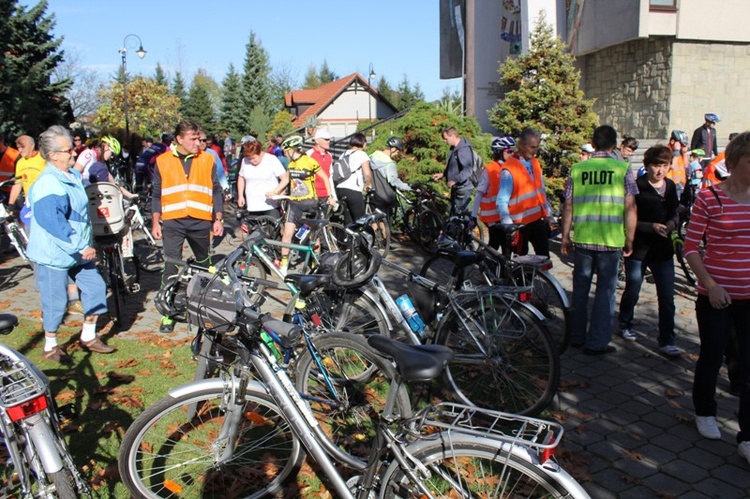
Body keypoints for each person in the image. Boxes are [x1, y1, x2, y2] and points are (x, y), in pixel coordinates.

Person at [684, 131, 750, 455]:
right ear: (736, 161)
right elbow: (690, 247)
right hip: (715, 296)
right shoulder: (710, 198)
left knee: (748, 364)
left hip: (749, 297)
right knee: (712, 355)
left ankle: (747, 436)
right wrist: (710, 285)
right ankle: (705, 411)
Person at [26, 125, 114, 363]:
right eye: (68, 151)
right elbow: (53, 223)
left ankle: (88, 336)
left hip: (77, 251)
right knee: (56, 301)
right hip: (54, 253)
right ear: (53, 155)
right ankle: (50, 345)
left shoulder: (71, 175)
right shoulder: (47, 183)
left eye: (72, 149)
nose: (73, 154)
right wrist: (80, 245)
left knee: (95, 288)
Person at [561, 125, 638, 355]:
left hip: (583, 239)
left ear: (592, 144)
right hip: (611, 241)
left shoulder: (577, 169)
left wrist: (565, 236)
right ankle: (597, 343)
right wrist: (630, 239)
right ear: (615, 146)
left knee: (580, 290)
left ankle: (576, 337)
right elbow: (631, 207)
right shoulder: (622, 169)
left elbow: (568, 205)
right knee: (605, 292)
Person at [151, 120, 224, 333]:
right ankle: (168, 313)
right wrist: (156, 221)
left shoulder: (208, 159)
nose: (197, 143)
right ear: (179, 139)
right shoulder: (162, 161)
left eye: (198, 138)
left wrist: (217, 218)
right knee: (171, 267)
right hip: (173, 221)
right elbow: (157, 193)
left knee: (204, 265)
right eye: (192, 139)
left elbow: (216, 190)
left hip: (200, 220)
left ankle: (204, 308)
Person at [618, 145, 681, 357]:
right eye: (656, 165)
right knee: (633, 287)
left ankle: (667, 340)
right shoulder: (637, 186)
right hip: (639, 247)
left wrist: (672, 224)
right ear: (647, 166)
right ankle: (625, 322)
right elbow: (628, 217)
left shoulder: (671, 186)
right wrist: (650, 226)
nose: (660, 170)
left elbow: (674, 212)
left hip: (663, 250)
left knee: (667, 296)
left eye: (664, 165)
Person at [275, 135, 337, 275]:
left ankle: (315, 261)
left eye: (286, 151)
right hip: (295, 203)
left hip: (310, 204)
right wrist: (275, 191)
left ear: (292, 150)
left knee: (312, 237)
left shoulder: (309, 162)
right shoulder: (291, 164)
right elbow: (287, 179)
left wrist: (330, 196)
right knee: (287, 233)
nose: (285, 154)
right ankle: (284, 263)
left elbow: (325, 178)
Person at [496, 128, 552, 256]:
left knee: (544, 256)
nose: (534, 151)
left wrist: (547, 213)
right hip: (519, 224)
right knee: (521, 260)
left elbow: (541, 190)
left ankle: (540, 275)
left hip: (537, 219)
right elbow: (502, 200)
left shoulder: (535, 163)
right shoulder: (509, 168)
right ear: (521, 145)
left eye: (536, 147)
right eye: (532, 147)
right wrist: (508, 224)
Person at [470, 136, 514, 250]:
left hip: (504, 215)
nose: (512, 154)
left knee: (499, 245)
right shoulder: (489, 170)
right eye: (509, 151)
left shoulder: (509, 168)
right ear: (499, 151)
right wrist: (473, 216)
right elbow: (479, 194)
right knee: (501, 243)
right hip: (492, 217)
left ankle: (488, 264)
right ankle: (487, 263)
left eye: (513, 151)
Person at [237, 138, 287, 219]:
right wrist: (240, 195)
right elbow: (241, 177)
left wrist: (277, 192)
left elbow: (284, 178)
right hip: (252, 206)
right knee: (254, 230)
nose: (251, 161)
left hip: (270, 206)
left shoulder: (271, 159)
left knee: (272, 230)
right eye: (249, 159)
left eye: (254, 158)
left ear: (260, 153)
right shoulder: (244, 161)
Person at [433, 126, 475, 216]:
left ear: (453, 136)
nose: (444, 141)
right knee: (454, 215)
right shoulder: (454, 149)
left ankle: (465, 230)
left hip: (463, 189)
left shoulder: (463, 149)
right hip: (457, 187)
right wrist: (443, 174)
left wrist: (455, 180)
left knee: (461, 217)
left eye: (445, 138)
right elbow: (455, 167)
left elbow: (468, 170)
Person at [369, 136, 411, 222]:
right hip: (385, 197)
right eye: (398, 151)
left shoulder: (372, 157)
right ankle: (385, 235)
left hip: (373, 194)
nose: (397, 154)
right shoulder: (389, 164)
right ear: (394, 149)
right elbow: (393, 181)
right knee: (386, 223)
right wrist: (408, 188)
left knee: (375, 220)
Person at [334, 132, 372, 225]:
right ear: (363, 143)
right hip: (353, 190)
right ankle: (361, 239)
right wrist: (368, 184)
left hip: (340, 189)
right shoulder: (361, 154)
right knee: (360, 220)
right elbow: (367, 173)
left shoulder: (343, 154)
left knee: (348, 220)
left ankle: (348, 239)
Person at [307, 129, 334, 202]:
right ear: (317, 141)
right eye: (326, 139)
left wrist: (332, 195)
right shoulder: (309, 154)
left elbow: (330, 176)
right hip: (313, 195)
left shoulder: (329, 155)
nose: (328, 141)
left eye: (329, 139)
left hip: (326, 194)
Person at [666, 130, 690, 199]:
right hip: (671, 185)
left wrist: (685, 153)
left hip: (681, 184)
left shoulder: (679, 153)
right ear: (673, 141)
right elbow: (672, 166)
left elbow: (685, 165)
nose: (682, 147)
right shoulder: (666, 151)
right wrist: (676, 151)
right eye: (681, 145)